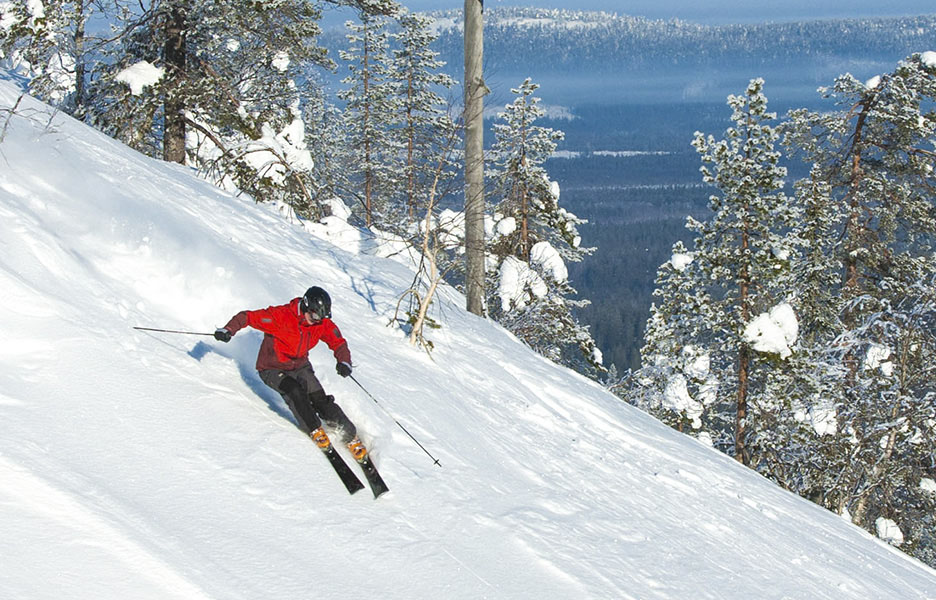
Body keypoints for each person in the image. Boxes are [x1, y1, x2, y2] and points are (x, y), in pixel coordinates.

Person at [213, 286, 367, 460]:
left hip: (300, 366)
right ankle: (314, 429)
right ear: (305, 306)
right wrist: (228, 330)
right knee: (295, 391)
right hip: (272, 368)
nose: (317, 321)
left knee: (319, 398)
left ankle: (349, 435)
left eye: (321, 318)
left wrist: (344, 361)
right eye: (315, 316)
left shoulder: (321, 323)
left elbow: (338, 342)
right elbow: (247, 317)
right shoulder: (280, 316)